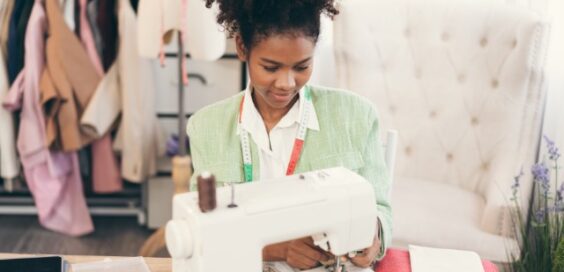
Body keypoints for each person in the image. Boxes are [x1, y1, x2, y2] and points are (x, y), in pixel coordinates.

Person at [187, 0, 392, 270]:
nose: (286, 83)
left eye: (302, 67)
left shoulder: (356, 116)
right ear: (242, 47)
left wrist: (374, 235)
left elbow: (380, 209)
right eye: (270, 68)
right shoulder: (206, 127)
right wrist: (277, 249)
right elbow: (203, 229)